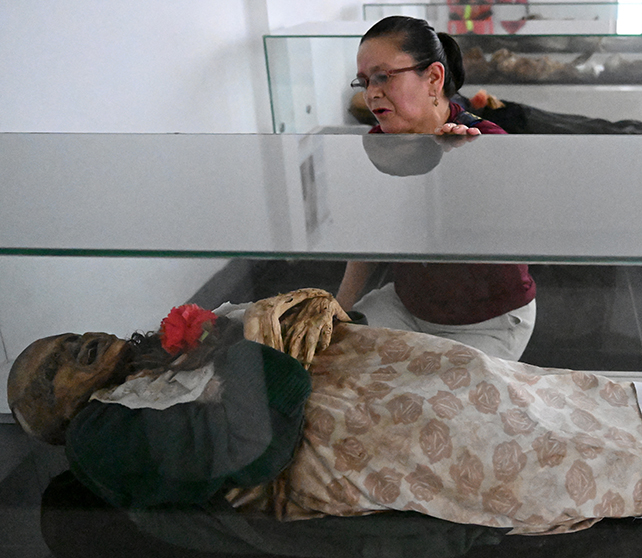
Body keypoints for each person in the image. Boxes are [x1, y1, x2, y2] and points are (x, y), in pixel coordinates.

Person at [8, 288, 642, 545]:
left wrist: (290, 313)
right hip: (348, 439)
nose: (76, 342)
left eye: (68, 336)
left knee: (497, 383)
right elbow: (250, 443)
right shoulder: (102, 435)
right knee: (516, 444)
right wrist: (250, 344)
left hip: (375, 386)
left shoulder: (142, 372)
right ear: (56, 416)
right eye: (55, 365)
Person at [337, 15, 536, 361]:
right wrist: (337, 311)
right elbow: (365, 235)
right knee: (331, 364)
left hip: (488, 324)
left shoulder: (487, 141)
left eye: (383, 77)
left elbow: (518, 228)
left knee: (442, 407)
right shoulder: (380, 142)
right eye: (364, 82)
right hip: (405, 308)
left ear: (433, 78)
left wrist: (460, 169)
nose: (371, 93)